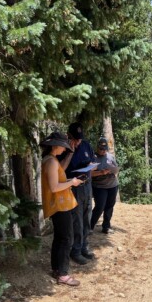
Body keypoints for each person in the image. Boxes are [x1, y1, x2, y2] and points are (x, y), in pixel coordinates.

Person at [40, 132, 83, 286]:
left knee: (59, 238)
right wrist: (72, 182)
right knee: (66, 239)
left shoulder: (51, 160)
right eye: (63, 147)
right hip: (60, 205)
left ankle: (57, 269)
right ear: (56, 146)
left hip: (58, 205)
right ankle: (63, 274)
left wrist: (70, 154)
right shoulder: (51, 162)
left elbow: (61, 170)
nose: (64, 149)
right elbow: (54, 187)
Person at [59, 122, 96, 265]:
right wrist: (71, 152)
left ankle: (84, 246)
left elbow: (92, 161)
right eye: (76, 139)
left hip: (87, 185)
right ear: (69, 136)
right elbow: (61, 170)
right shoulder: (64, 149)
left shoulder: (86, 145)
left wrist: (90, 166)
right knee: (77, 220)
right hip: (73, 188)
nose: (78, 142)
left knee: (87, 216)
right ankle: (76, 250)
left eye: (80, 139)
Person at [90, 137, 120, 234]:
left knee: (109, 206)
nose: (103, 151)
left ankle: (106, 226)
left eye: (105, 149)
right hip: (99, 187)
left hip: (112, 185)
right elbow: (89, 173)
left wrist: (113, 170)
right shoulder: (93, 157)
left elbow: (116, 168)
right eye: (101, 149)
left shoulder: (110, 157)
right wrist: (101, 173)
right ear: (97, 148)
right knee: (100, 206)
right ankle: (90, 226)